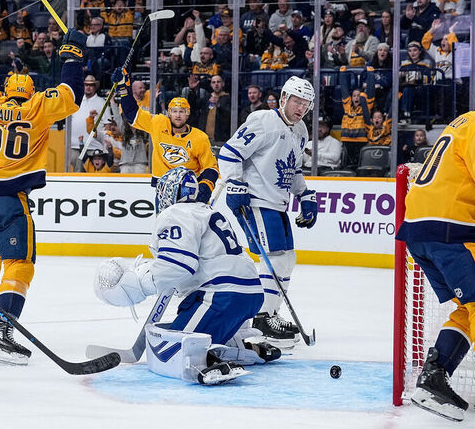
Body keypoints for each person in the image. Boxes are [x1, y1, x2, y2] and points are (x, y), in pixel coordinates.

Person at [0, 16, 87, 365]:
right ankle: (3, 330)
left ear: (6, 89)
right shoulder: (37, 106)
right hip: (8, 201)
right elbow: (72, 93)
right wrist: (72, 53)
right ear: (28, 91)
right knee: (19, 263)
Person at [94, 167, 281, 385]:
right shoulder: (205, 211)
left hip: (220, 296)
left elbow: (177, 265)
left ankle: (207, 363)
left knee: (171, 349)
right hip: (249, 294)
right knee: (189, 322)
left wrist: (136, 284)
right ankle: (246, 349)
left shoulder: (176, 213)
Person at [395, 70, 475, 429]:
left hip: (422, 228)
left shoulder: (464, 121)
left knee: (470, 306)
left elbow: (460, 182)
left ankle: (433, 379)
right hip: (452, 230)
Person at [218, 76, 318, 346]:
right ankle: (262, 317)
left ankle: (270, 313)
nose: (301, 108)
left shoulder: (300, 131)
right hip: (255, 199)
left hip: (277, 203)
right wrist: (234, 184)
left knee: (288, 259)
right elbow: (229, 153)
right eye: (297, 101)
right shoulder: (263, 120)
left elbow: (294, 169)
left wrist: (304, 194)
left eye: (306, 104)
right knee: (273, 258)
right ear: (284, 98)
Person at [111, 68, 218, 202]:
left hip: (190, 192)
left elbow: (210, 167)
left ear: (188, 114)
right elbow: (131, 114)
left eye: (182, 111)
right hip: (164, 190)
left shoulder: (199, 137)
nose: (178, 115)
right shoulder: (158, 123)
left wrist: (206, 187)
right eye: (174, 111)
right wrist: (123, 87)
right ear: (169, 113)